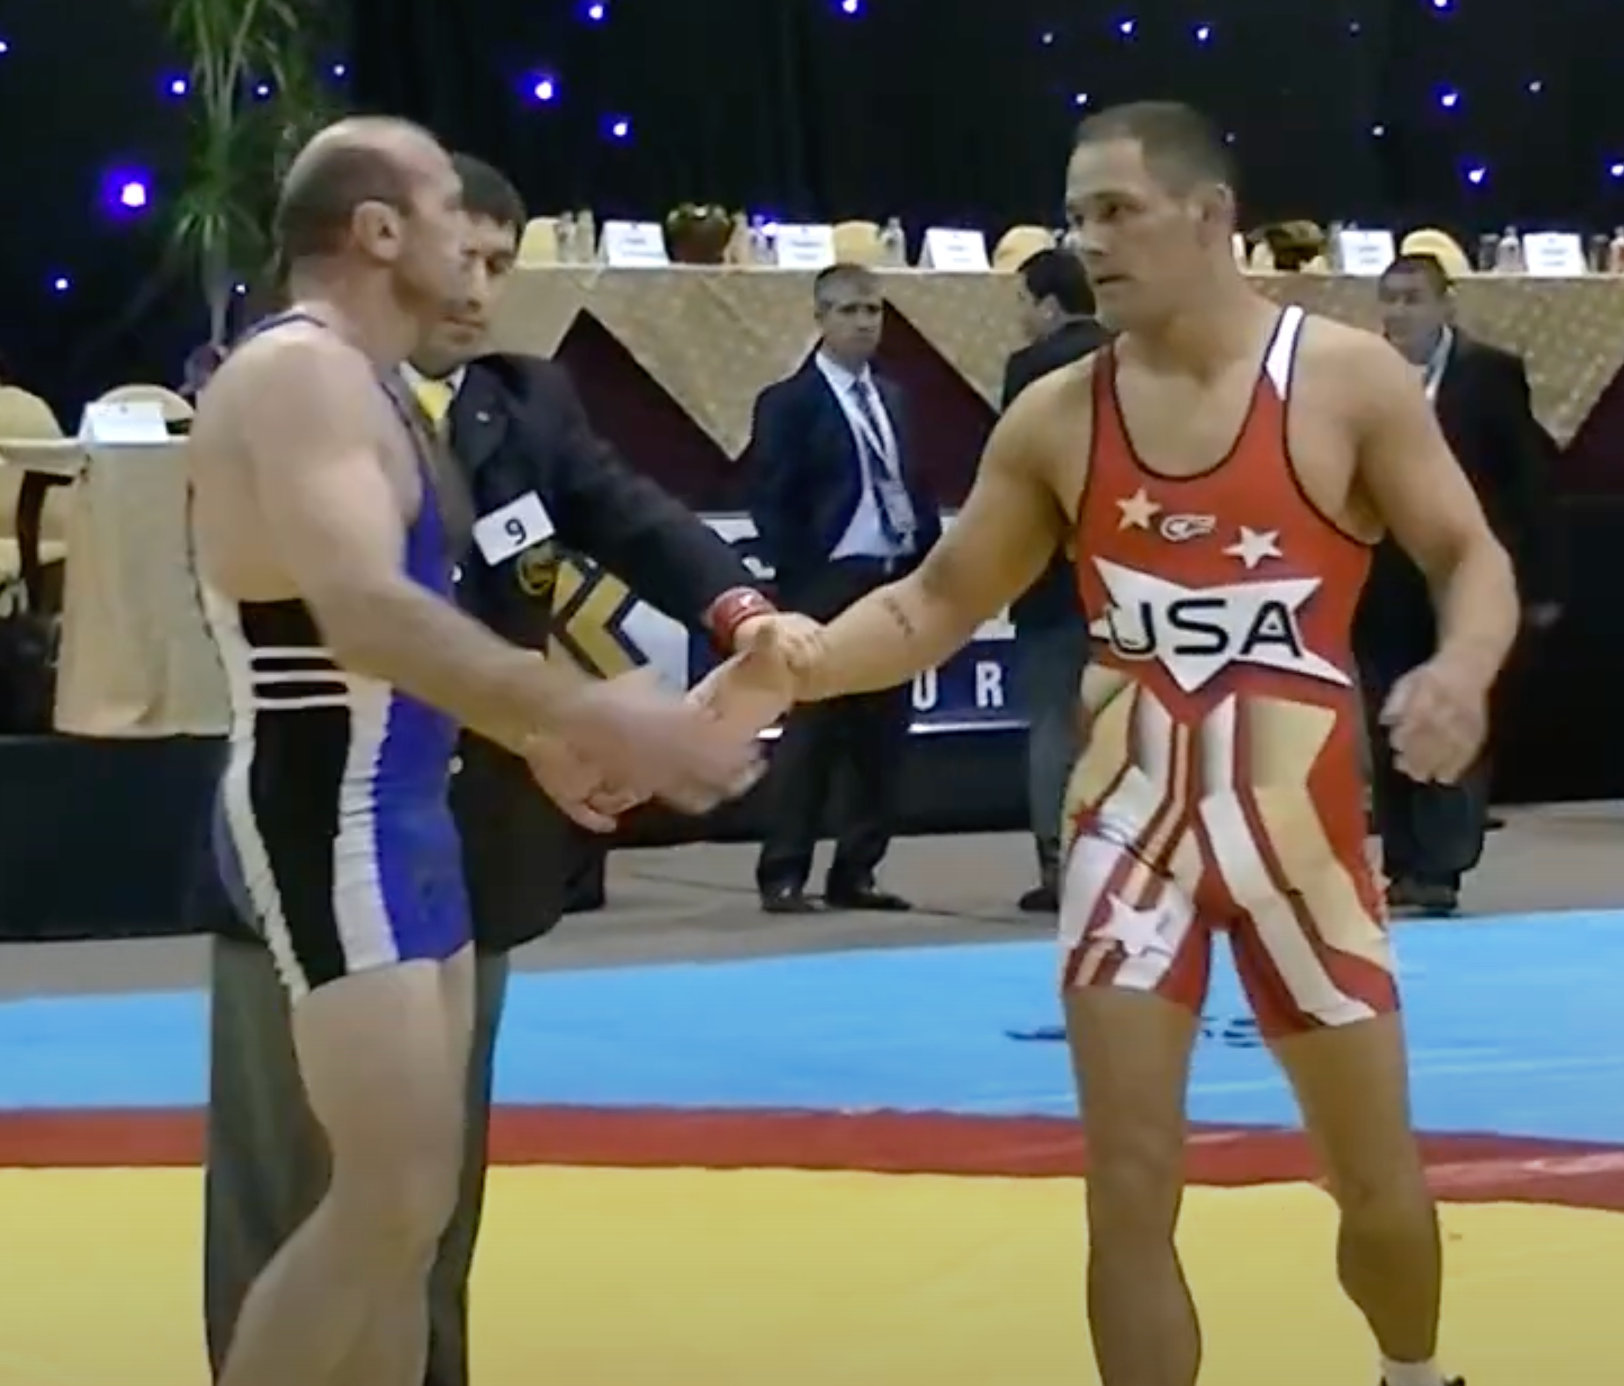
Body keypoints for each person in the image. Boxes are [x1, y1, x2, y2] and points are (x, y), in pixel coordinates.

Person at [703, 101, 1517, 1386]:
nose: (1091, 242)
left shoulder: (1342, 382)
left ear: (1211, 220)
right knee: (1128, 1186)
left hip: (1300, 848)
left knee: (1374, 1185)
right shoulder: (1058, 415)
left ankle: (1414, 1375)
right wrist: (799, 660)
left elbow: (1468, 555)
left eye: (1116, 212)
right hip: (1129, 840)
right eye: (1079, 217)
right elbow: (933, 603)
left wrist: (1462, 670)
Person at [188, 117, 762, 1386]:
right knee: (378, 1202)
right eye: (453, 210)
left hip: (405, 817)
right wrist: (590, 713)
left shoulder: (387, 388)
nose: (481, 242)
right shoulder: (302, 376)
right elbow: (365, 613)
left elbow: (425, 628)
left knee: (412, 1219)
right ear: (381, 231)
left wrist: (532, 738)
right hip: (329, 815)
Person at [1359, 252, 1560, 915]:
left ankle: (1442, 869)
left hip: (1459, 577)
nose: (1398, 313)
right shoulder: (1364, 376)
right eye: (1389, 298)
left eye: (1413, 298)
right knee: (1388, 712)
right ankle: (1402, 861)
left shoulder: (1488, 375)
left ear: (1447, 305)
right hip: (1383, 577)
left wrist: (1530, 579)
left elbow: (1526, 481)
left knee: (1447, 709)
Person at [745, 262, 942, 913]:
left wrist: (929, 567)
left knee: (884, 734)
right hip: (828, 578)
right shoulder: (788, 401)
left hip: (893, 576)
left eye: (874, 310)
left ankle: (857, 869)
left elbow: (916, 483)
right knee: (812, 730)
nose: (865, 323)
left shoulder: (897, 398)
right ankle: (784, 869)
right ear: (821, 318)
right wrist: (799, 577)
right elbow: (772, 496)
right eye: (851, 311)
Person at [1002, 248, 1110, 911]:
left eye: (1022, 301)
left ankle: (1057, 862)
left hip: (1050, 569)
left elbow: (1017, 473)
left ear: (1046, 304)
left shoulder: (1030, 368)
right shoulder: (1127, 352)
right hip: (1122, 564)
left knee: (1051, 721)